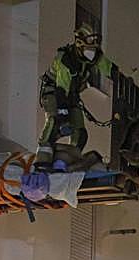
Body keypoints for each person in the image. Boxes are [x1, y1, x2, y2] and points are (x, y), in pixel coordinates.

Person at [34, 22, 114, 171]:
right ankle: (42, 161)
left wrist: (123, 80)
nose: (91, 52)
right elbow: (61, 89)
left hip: (71, 96)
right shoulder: (66, 60)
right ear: (79, 44)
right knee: (54, 122)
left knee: (80, 133)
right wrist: (63, 114)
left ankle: (69, 160)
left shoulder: (93, 57)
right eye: (88, 48)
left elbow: (108, 69)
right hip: (54, 94)